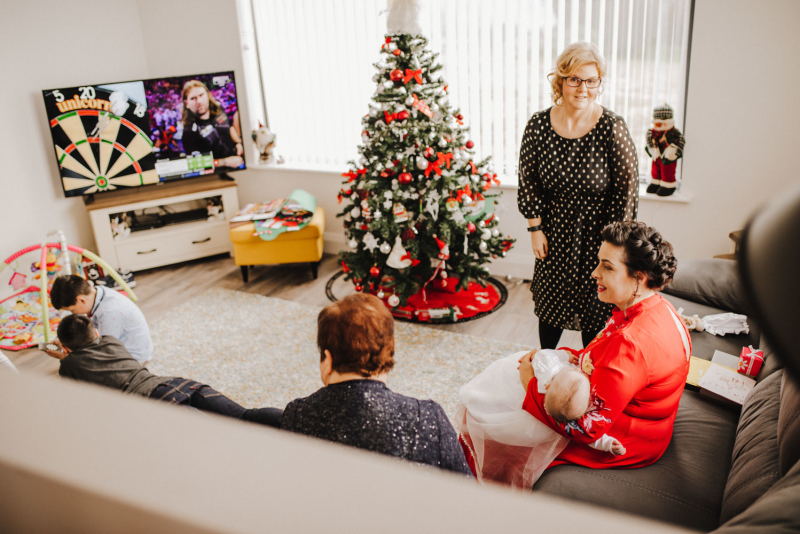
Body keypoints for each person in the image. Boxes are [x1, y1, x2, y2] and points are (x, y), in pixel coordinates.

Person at [517, 221, 690, 470]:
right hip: (642, 424)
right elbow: (603, 359)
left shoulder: (630, 344)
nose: (594, 273)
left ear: (638, 279)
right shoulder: (661, 307)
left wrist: (530, 385)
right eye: (599, 262)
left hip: (625, 439)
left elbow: (586, 428)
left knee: (492, 418)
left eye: (607, 267)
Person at [518, 41, 639, 350]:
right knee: (550, 310)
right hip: (553, 231)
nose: (583, 88)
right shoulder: (538, 125)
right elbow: (528, 180)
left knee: (596, 314)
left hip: (600, 237)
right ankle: (546, 369)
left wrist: (613, 247)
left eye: (591, 80)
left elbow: (626, 195)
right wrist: (535, 228)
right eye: (574, 79)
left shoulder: (612, 128)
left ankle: (589, 381)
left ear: (599, 82)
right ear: (561, 81)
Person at [279, 293, 472, 476]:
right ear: (389, 352)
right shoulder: (429, 418)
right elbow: (470, 494)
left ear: (327, 360)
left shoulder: (297, 416)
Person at [48, 314, 282, 426]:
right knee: (243, 416)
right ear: (96, 333)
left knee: (217, 435)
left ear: (66, 347)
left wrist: (62, 355)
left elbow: (78, 391)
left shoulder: (69, 366)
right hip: (178, 384)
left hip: (155, 401)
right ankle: (294, 419)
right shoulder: (110, 340)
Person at [456, 348, 624, 488]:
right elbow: (585, 434)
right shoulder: (566, 419)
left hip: (517, 403)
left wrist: (564, 356)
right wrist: (607, 443)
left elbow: (542, 355)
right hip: (533, 425)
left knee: (492, 399)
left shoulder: (548, 372)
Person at [50, 275, 153, 364]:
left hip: (134, 359)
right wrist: (66, 342)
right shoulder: (97, 292)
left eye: (72, 310)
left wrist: (66, 357)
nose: (73, 314)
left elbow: (104, 351)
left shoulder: (109, 312)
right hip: (116, 345)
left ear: (82, 300)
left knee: (78, 367)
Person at [180, 80, 244, 169]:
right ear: (187, 103)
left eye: (201, 95)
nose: (198, 101)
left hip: (239, 162)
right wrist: (225, 162)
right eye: (193, 98)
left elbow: (229, 127)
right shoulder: (188, 131)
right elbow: (195, 164)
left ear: (207, 95)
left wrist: (238, 143)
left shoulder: (219, 109)